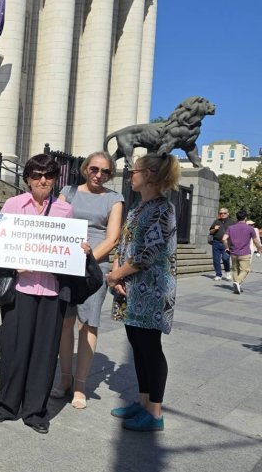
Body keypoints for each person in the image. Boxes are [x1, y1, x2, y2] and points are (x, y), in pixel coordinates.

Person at [0, 153, 91, 434]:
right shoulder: (12, 205)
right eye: (36, 175)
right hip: (19, 289)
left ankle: (35, 411)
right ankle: (6, 405)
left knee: (45, 352)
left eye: (48, 175)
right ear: (27, 179)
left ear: (55, 179)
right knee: (13, 347)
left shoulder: (64, 211)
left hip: (51, 290)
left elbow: (69, 248)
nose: (42, 180)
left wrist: (81, 251)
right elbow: (0, 244)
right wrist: (12, 262)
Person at [106, 152, 179, 432]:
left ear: (148, 174)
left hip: (152, 292)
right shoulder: (138, 208)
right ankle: (143, 401)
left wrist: (115, 275)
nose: (129, 175)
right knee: (137, 346)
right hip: (131, 289)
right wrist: (116, 267)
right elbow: (126, 246)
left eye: (133, 170)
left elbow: (147, 254)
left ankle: (155, 413)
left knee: (151, 349)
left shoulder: (163, 209)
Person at [52, 151, 124, 409]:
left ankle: (80, 384)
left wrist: (89, 257)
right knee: (64, 323)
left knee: (88, 324)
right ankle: (64, 379)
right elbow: (54, 223)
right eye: (94, 169)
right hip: (66, 263)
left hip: (94, 268)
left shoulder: (114, 199)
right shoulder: (68, 192)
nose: (99, 175)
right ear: (85, 169)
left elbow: (113, 237)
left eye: (105, 171)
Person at [222, 210, 262, 294]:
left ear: (237, 218)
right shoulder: (250, 228)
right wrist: (259, 248)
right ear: (246, 218)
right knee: (246, 270)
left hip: (233, 253)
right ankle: (238, 282)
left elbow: (224, 239)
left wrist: (226, 248)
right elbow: (256, 241)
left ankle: (237, 286)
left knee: (235, 269)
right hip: (244, 253)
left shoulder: (231, 227)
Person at [209, 208, 233, 281]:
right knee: (216, 260)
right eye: (221, 213)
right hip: (216, 242)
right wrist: (215, 229)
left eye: (224, 213)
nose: (222, 214)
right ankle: (218, 274)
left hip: (227, 243)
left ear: (228, 214)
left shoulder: (232, 222)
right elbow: (211, 232)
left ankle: (228, 271)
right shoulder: (216, 221)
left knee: (225, 258)